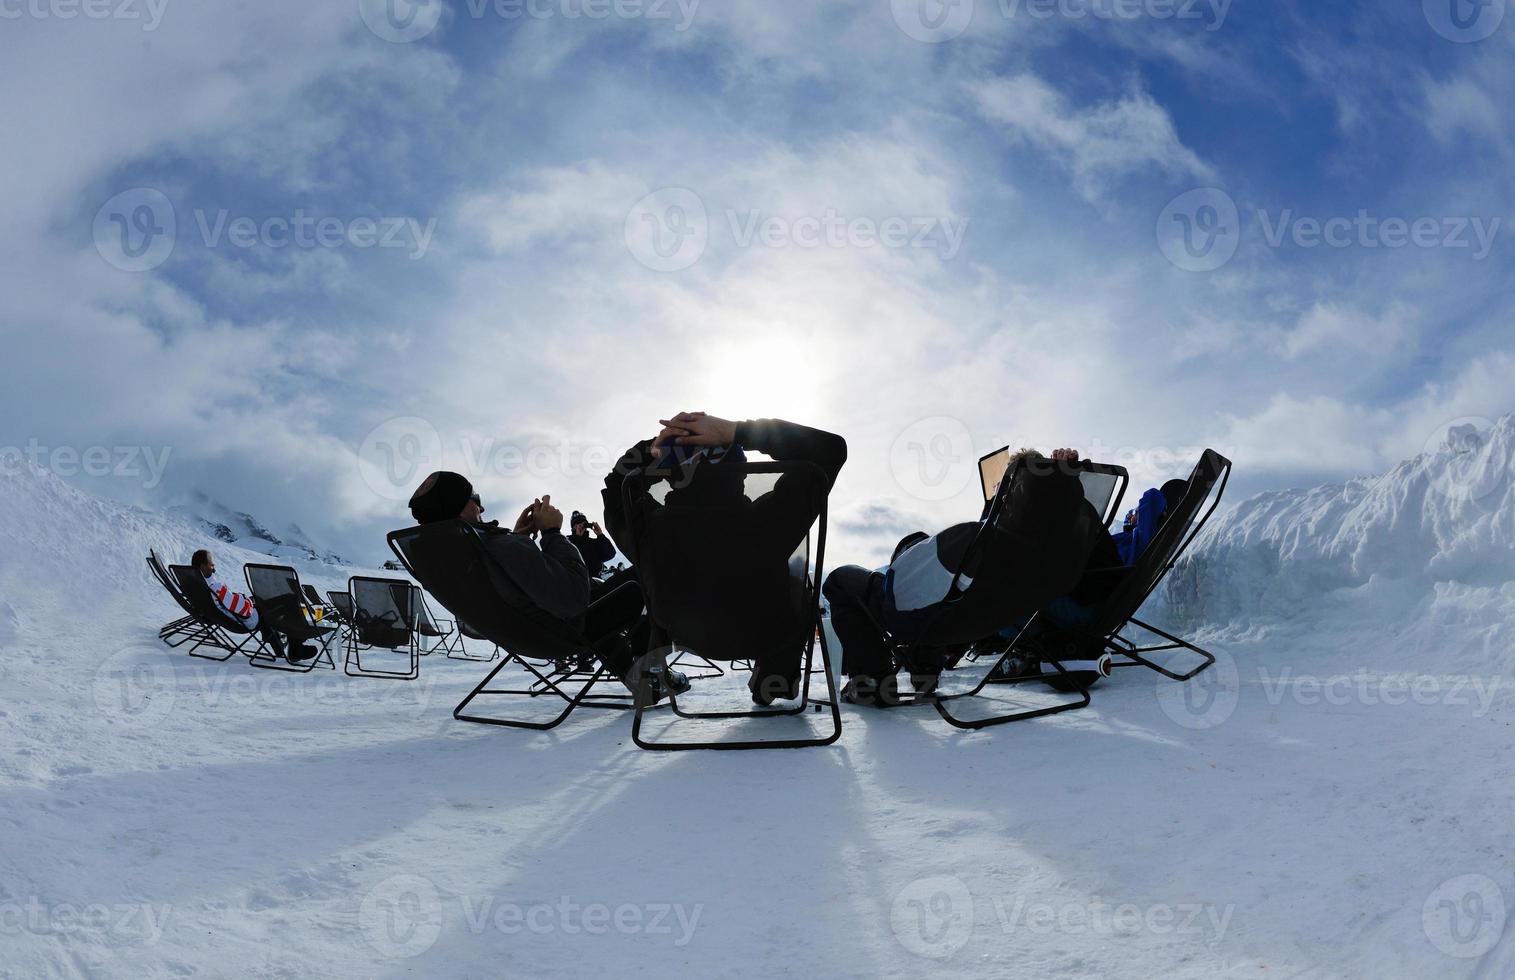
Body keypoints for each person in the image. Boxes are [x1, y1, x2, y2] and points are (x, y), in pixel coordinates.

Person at [822, 448, 1106, 706]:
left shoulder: (976, 540)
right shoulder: (1060, 551)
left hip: (930, 621)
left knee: (841, 579)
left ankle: (873, 681)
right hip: (983, 621)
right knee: (936, 581)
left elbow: (901, 594)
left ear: (1011, 492)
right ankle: (925, 674)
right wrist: (1063, 479)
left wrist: (902, 564)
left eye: (1004, 490)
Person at [603, 412, 847, 706]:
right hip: (769, 634)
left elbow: (618, 484)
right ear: (741, 473)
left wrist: (654, 448)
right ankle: (776, 680)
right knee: (799, 586)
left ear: (675, 479)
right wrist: (738, 432)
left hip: (688, 637)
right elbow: (832, 450)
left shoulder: (650, 529)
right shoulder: (771, 521)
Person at [406, 472, 687, 699]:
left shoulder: (445, 559)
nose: (481, 507)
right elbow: (574, 599)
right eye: (474, 498)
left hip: (524, 636)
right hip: (563, 632)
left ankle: (641, 681)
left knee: (603, 601)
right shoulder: (500, 548)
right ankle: (653, 675)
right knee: (646, 575)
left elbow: (509, 589)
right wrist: (552, 533)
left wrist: (517, 540)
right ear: (458, 506)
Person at [191, 550, 319, 663]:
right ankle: (296, 647)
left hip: (229, 617)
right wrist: (247, 600)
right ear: (203, 566)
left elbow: (230, 604)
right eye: (211, 564)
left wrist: (246, 600)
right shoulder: (215, 587)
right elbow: (244, 611)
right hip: (245, 620)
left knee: (268, 607)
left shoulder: (196, 585)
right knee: (288, 600)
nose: (214, 567)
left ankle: (281, 647)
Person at [568, 511, 618, 578]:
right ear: (573, 527)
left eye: (583, 523)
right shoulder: (567, 541)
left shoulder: (594, 543)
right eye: (577, 523)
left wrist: (600, 535)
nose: (581, 526)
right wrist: (577, 538)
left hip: (595, 581)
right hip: (576, 582)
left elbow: (610, 554)